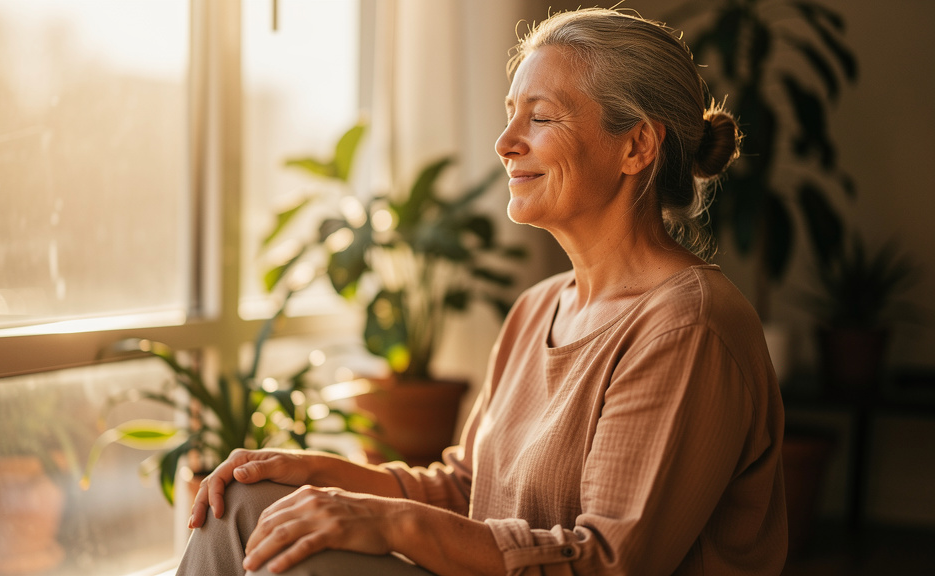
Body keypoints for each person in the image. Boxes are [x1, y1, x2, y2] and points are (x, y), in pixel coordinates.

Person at [177, 7, 787, 575]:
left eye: (540, 117)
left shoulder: (687, 326)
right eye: (510, 113)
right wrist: (314, 473)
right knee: (246, 501)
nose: (505, 142)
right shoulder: (539, 307)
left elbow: (604, 563)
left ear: (636, 146)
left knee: (287, 558)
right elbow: (467, 490)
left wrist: (390, 522)